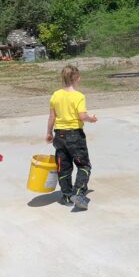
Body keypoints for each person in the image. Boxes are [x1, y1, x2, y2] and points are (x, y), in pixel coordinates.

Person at [46, 65, 97, 210]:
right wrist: (91, 119)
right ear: (77, 78)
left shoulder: (55, 95)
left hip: (59, 135)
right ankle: (79, 194)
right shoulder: (79, 96)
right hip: (75, 135)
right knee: (84, 165)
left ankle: (67, 195)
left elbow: (51, 117)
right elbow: (82, 116)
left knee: (64, 166)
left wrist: (49, 133)